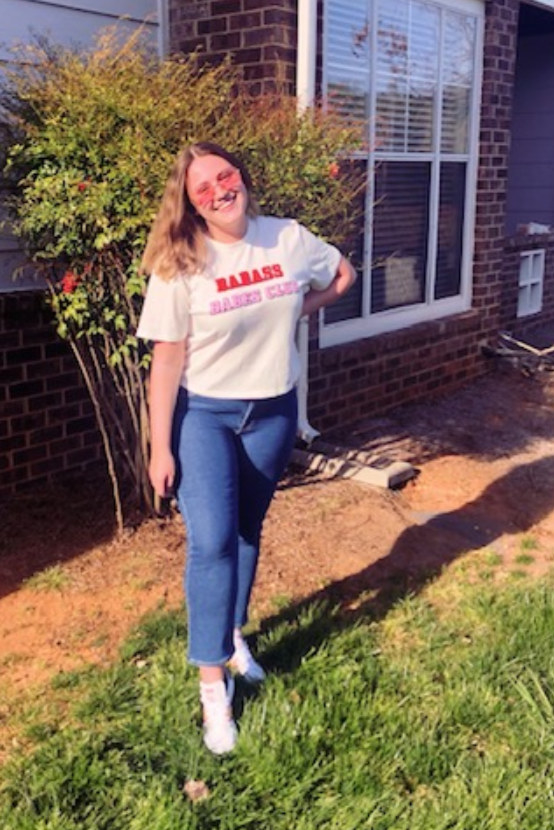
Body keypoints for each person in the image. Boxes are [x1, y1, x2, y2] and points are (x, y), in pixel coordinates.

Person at [134, 142, 355, 754]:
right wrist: (160, 447)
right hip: (203, 416)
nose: (217, 191)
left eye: (224, 176)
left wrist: (295, 312)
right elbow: (166, 361)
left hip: (273, 411)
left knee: (248, 530)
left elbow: (343, 275)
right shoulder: (181, 262)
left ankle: (233, 636)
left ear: (242, 178)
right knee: (211, 541)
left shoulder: (285, 238)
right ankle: (212, 688)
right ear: (191, 203)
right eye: (201, 187)